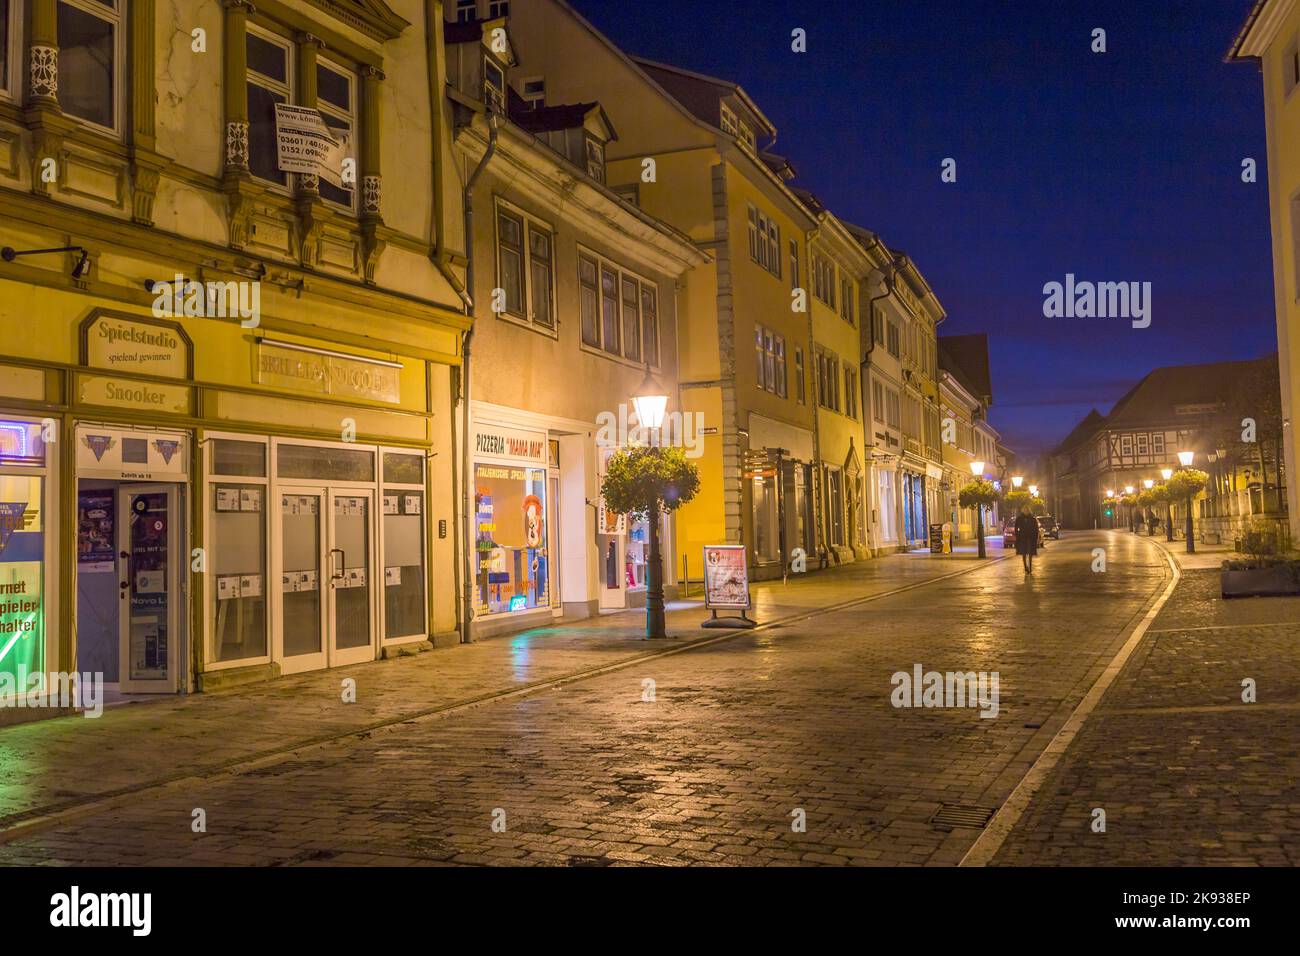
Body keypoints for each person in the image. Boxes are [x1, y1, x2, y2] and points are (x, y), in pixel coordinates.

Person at [1014, 505, 1039, 574]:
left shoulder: (1032, 519)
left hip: (1031, 538)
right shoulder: (1019, 518)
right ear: (1023, 510)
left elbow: (1036, 529)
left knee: (1030, 553)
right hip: (1023, 538)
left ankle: (1030, 567)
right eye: (1025, 510)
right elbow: (1016, 528)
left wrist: (1036, 537)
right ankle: (1025, 567)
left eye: (1027, 510)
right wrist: (1018, 535)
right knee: (1024, 553)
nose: (1026, 511)